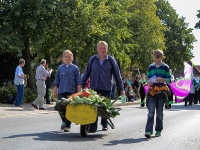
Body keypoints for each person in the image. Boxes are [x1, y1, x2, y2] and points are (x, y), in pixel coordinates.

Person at [82, 41, 125, 132]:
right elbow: (86, 73)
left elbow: (117, 75)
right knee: (94, 107)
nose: (102, 50)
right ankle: (93, 126)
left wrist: (121, 89)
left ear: (107, 49)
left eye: (104, 48)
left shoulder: (111, 60)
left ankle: (104, 124)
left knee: (105, 107)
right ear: (97, 49)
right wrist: (81, 86)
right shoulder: (93, 59)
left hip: (106, 87)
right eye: (101, 48)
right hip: (94, 87)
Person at [145, 49, 171, 138]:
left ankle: (158, 130)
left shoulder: (166, 67)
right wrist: (149, 81)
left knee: (159, 112)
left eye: (159, 61)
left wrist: (163, 79)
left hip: (161, 92)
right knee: (151, 112)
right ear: (153, 58)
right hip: (152, 92)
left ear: (162, 58)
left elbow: (169, 79)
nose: (157, 62)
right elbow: (147, 78)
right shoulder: (150, 67)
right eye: (156, 61)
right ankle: (148, 131)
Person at [54, 50, 82, 132]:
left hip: (71, 92)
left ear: (72, 58)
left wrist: (79, 92)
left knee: (69, 108)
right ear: (63, 58)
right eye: (66, 57)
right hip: (62, 91)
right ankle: (64, 120)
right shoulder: (60, 68)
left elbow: (78, 82)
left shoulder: (75, 68)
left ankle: (67, 125)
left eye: (69, 57)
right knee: (59, 106)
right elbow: (56, 81)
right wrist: (55, 91)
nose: (67, 58)